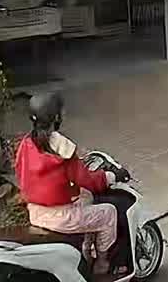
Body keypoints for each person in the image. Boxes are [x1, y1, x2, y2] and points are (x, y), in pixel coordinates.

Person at [15, 92, 129, 276]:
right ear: (56, 118)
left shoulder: (26, 144)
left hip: (35, 212)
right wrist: (112, 176)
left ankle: (86, 250)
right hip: (60, 217)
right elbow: (89, 181)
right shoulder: (62, 148)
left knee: (85, 196)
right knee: (109, 213)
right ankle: (102, 263)